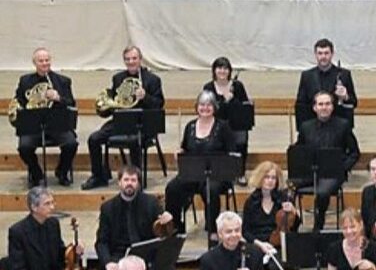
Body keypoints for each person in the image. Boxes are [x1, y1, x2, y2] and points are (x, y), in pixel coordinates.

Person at [82, 45, 165, 190]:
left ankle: (135, 178)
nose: (131, 62)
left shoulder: (152, 80)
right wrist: (108, 107)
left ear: (140, 59)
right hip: (121, 122)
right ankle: (99, 176)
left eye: (134, 58)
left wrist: (145, 97)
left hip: (143, 123)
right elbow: (115, 102)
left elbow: (158, 105)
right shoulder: (118, 78)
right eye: (127, 59)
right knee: (93, 139)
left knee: (134, 141)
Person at [95, 165, 177, 270]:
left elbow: (165, 233)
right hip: (120, 254)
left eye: (133, 180)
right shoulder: (108, 208)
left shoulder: (151, 203)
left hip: (146, 252)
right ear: (119, 182)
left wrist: (168, 222)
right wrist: (108, 263)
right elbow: (101, 242)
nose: (129, 184)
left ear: (138, 184)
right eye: (126, 180)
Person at [163, 91, 236, 235]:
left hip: (217, 174)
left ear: (214, 107)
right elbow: (184, 148)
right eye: (202, 105)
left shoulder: (223, 127)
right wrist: (179, 153)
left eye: (209, 105)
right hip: (193, 173)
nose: (205, 108)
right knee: (172, 188)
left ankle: (213, 229)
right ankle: (175, 226)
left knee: (211, 190)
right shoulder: (190, 126)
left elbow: (232, 153)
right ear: (197, 107)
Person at [242, 161, 300, 270]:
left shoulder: (283, 200)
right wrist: (260, 244)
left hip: (278, 243)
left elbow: (293, 229)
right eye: (267, 177)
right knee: (253, 267)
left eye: (273, 178)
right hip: (257, 244)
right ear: (260, 179)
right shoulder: (251, 202)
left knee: (277, 268)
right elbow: (245, 231)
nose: (270, 181)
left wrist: (294, 213)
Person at [295, 91, 360, 231]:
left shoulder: (343, 125)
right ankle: (292, 225)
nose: (324, 107)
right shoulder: (306, 127)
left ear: (332, 106)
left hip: (333, 174)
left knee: (322, 192)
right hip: (311, 171)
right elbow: (299, 150)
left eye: (327, 104)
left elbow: (355, 153)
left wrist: (342, 168)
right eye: (320, 104)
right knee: (287, 188)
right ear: (314, 108)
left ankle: (319, 223)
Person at [13, 47, 77, 187]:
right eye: (41, 61)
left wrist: (58, 97)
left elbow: (71, 103)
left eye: (47, 60)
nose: (44, 63)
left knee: (71, 144)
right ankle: (36, 173)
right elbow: (19, 101)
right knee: (24, 147)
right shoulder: (25, 81)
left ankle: (61, 171)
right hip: (33, 126)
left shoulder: (63, 81)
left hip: (57, 125)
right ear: (34, 63)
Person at [202, 56, 252, 185]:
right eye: (219, 68)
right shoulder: (208, 87)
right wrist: (223, 101)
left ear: (229, 71)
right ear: (214, 71)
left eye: (225, 68)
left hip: (236, 124)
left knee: (241, 138)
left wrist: (232, 99)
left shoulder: (237, 86)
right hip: (216, 125)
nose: (222, 71)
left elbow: (244, 107)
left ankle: (240, 172)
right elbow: (207, 108)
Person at [295, 37, 357, 127]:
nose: (323, 57)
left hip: (338, 126)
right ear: (315, 55)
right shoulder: (307, 76)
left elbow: (354, 102)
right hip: (314, 126)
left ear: (332, 54)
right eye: (320, 53)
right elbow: (301, 104)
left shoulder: (344, 75)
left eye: (326, 53)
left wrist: (345, 97)